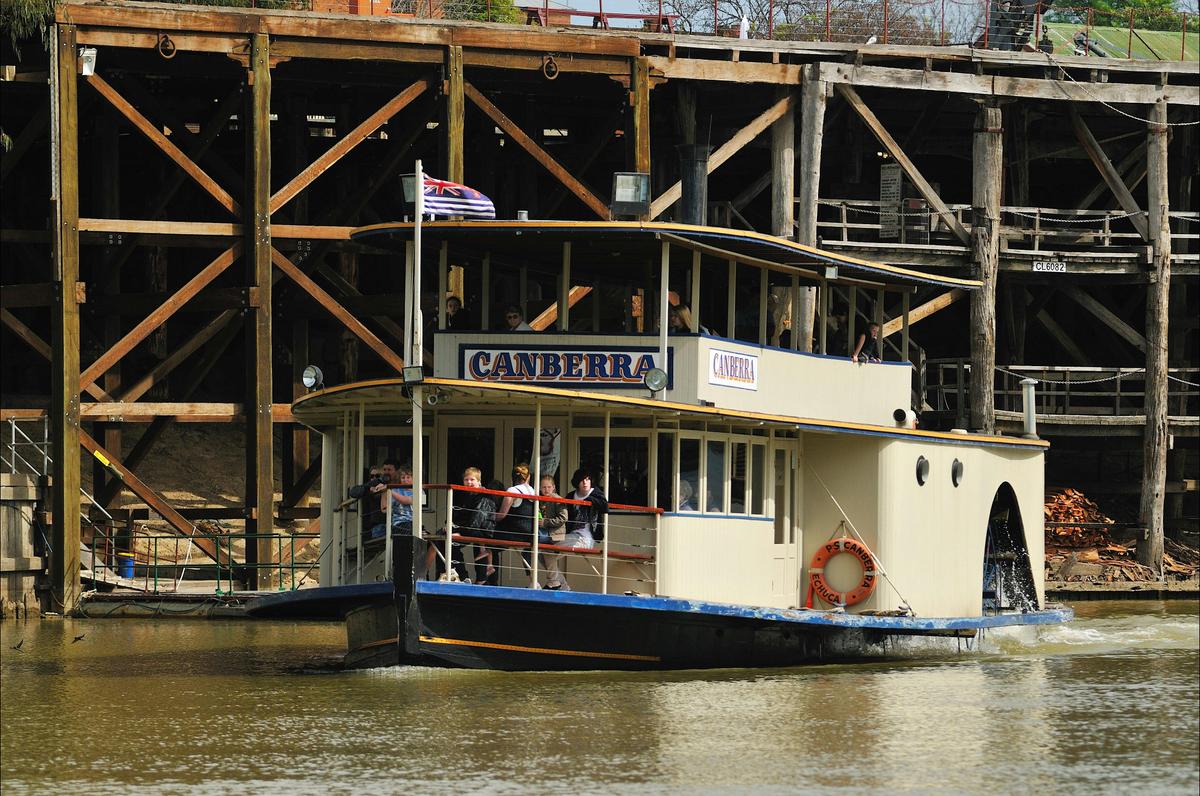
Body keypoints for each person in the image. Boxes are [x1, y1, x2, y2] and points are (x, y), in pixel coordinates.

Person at [447, 467, 497, 584]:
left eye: (472, 480)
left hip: (483, 531)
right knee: (442, 537)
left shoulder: (483, 496)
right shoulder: (470, 495)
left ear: (479, 481)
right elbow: (462, 516)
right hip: (473, 529)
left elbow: (476, 522)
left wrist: (459, 531)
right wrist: (452, 525)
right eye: (466, 480)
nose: (469, 482)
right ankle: (460, 575)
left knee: (451, 540)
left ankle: (467, 577)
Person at [537, 475, 570, 590]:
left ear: (554, 487)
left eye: (549, 487)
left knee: (546, 552)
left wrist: (545, 522)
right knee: (539, 555)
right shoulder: (540, 500)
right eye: (543, 487)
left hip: (556, 535)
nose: (546, 490)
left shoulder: (558, 499)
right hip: (546, 534)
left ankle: (553, 582)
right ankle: (561, 585)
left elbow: (563, 518)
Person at [565, 467, 608, 548]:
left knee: (551, 550)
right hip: (571, 533)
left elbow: (605, 507)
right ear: (577, 482)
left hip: (587, 537)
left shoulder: (595, 493)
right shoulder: (571, 496)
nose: (585, 482)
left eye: (588, 479)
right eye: (582, 480)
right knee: (549, 549)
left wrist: (589, 500)